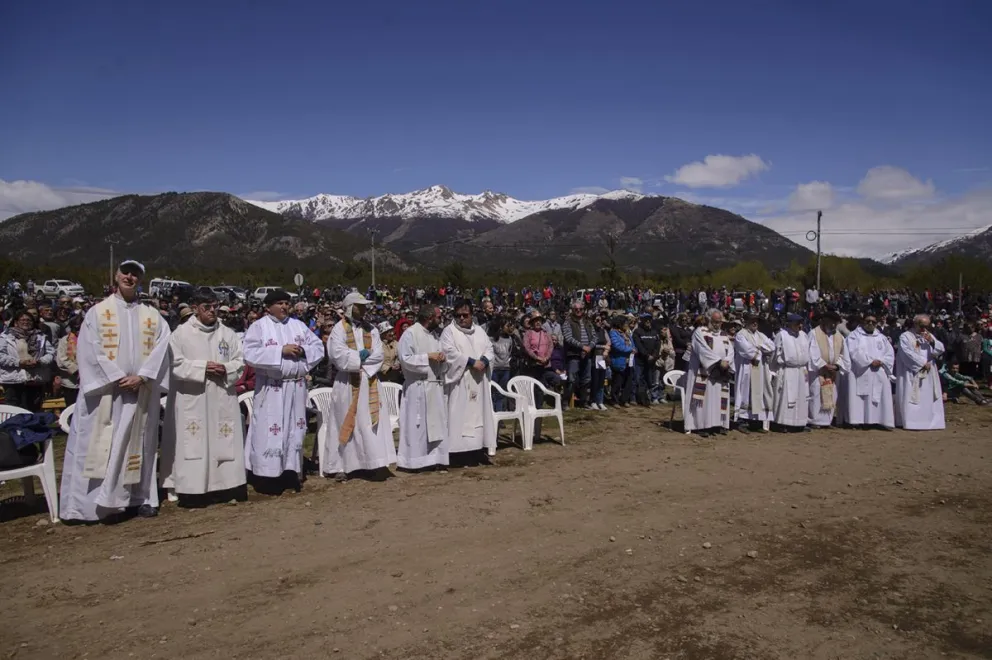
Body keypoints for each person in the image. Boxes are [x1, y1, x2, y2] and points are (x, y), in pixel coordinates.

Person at [59, 260, 171, 522]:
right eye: (125, 272)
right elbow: (90, 351)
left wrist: (143, 376)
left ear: (141, 280)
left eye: (135, 274)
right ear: (116, 275)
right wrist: (119, 377)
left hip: (141, 392)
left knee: (141, 444)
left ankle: (141, 498)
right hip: (107, 394)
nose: (129, 277)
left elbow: (163, 347)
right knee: (101, 445)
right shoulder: (98, 313)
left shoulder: (152, 315)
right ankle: (92, 506)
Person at [160, 292, 246, 504]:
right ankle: (191, 488)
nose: (212, 310)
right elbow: (175, 365)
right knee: (192, 441)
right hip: (193, 397)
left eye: (215, 306)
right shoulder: (180, 334)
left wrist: (225, 369)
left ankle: (224, 484)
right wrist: (203, 367)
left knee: (223, 438)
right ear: (195, 308)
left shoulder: (227, 334)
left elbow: (240, 362)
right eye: (206, 306)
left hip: (221, 395)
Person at [242, 290, 325, 490]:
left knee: (293, 430)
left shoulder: (298, 325)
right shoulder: (259, 327)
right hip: (272, 389)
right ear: (268, 306)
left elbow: (319, 347)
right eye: (279, 303)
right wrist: (280, 351)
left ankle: (290, 471)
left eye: (286, 303)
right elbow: (249, 353)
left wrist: (303, 351)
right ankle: (265, 476)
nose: (284, 307)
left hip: (295, 387)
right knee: (269, 430)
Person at [323, 292, 397, 480]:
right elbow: (336, 353)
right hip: (348, 381)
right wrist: (359, 357)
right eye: (359, 306)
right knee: (345, 420)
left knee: (367, 422)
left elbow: (379, 354)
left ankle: (371, 462)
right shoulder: (339, 329)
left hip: (368, 379)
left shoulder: (371, 329)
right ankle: (344, 465)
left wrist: (363, 360)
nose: (363, 309)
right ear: (349, 307)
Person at [440, 298, 497, 460]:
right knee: (460, 414)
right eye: (458, 316)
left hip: (479, 381)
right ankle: (457, 451)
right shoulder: (449, 331)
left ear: (472, 315)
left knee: (479, 413)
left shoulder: (479, 331)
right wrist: (471, 362)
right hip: (461, 382)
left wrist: (484, 361)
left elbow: (489, 349)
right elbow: (448, 352)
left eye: (465, 315)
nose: (462, 319)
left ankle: (477, 448)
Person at [397, 305, 449, 470]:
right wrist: (427, 357)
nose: (440, 320)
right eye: (438, 317)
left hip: (434, 386)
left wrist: (442, 357)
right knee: (417, 427)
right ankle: (415, 462)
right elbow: (405, 359)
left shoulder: (434, 336)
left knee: (435, 426)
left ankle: (434, 459)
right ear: (429, 318)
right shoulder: (411, 333)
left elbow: (439, 356)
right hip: (417, 387)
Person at [685, 309, 735, 436]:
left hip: (720, 372)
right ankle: (701, 425)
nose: (717, 324)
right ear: (708, 320)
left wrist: (727, 361)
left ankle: (717, 424)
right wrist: (718, 362)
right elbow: (703, 350)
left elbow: (731, 351)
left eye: (719, 322)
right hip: (704, 372)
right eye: (715, 322)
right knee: (705, 401)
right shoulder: (700, 332)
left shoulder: (724, 335)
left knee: (718, 398)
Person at [842, 314, 895, 429]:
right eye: (868, 321)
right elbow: (853, 352)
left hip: (879, 370)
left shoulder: (881, 337)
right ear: (862, 322)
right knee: (860, 397)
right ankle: (858, 420)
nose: (870, 324)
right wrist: (870, 361)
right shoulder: (854, 336)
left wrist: (881, 361)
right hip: (861, 370)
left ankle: (879, 420)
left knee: (880, 395)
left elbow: (889, 354)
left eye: (873, 322)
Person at [895, 314, 945, 430]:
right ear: (915, 324)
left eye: (926, 326)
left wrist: (932, 341)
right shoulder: (906, 336)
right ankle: (912, 422)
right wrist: (922, 362)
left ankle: (930, 421)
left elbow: (940, 349)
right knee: (912, 396)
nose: (924, 329)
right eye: (922, 326)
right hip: (912, 371)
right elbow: (906, 353)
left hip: (929, 371)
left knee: (927, 397)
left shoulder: (928, 335)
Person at [0, 309, 55, 412]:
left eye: (29, 320)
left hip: (34, 380)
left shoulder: (41, 337)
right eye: (22, 320)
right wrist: (18, 362)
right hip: (13, 380)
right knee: (13, 409)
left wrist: (40, 361)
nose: (26, 322)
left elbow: (51, 353)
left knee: (32, 410)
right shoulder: (6, 337)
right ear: (16, 322)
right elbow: (1, 356)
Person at [733, 313, 774, 432]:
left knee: (759, 392)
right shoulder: (741, 335)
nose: (755, 323)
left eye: (756, 321)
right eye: (752, 321)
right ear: (746, 322)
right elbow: (747, 350)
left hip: (760, 368)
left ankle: (756, 421)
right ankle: (742, 421)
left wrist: (758, 347)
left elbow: (772, 346)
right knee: (745, 392)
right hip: (746, 368)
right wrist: (761, 349)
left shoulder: (761, 335)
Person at [808, 311, 850, 428]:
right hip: (818, 371)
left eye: (835, 323)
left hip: (833, 371)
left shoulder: (839, 336)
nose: (833, 326)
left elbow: (843, 354)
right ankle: (814, 420)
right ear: (825, 321)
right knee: (816, 394)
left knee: (832, 394)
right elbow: (812, 352)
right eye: (831, 322)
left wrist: (837, 366)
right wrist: (824, 365)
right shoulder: (814, 333)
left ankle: (826, 420)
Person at [771, 313, 810, 432]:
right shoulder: (782, 335)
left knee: (801, 397)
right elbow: (775, 353)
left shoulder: (803, 335)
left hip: (801, 370)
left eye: (801, 323)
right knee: (786, 397)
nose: (800, 325)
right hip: (788, 370)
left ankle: (800, 422)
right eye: (797, 323)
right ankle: (783, 423)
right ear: (790, 324)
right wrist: (775, 369)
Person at [562, 301, 595, 409]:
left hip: (587, 353)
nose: (578, 311)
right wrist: (582, 346)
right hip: (574, 354)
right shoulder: (568, 322)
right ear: (573, 310)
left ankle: (584, 402)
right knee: (571, 379)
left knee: (586, 379)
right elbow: (568, 338)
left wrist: (589, 347)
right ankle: (565, 402)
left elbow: (595, 337)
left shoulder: (588, 322)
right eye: (576, 309)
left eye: (580, 309)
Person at [55, 314, 83, 406]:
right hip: (70, 381)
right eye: (76, 327)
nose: (79, 329)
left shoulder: (91, 339)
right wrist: (76, 370)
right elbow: (61, 359)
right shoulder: (65, 340)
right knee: (71, 408)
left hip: (87, 380)